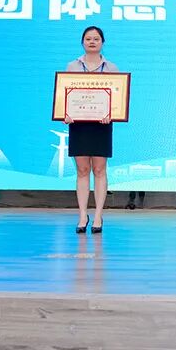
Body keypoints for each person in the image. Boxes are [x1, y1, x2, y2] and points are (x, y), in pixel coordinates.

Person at [65, 26, 117, 234]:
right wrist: (65, 112)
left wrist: (112, 112)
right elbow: (64, 95)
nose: (92, 42)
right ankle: (82, 215)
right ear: (82, 42)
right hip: (79, 123)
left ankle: (98, 216)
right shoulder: (72, 66)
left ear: (102, 42)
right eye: (88, 39)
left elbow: (117, 99)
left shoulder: (111, 68)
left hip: (102, 124)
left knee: (100, 170)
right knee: (82, 170)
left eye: (96, 38)